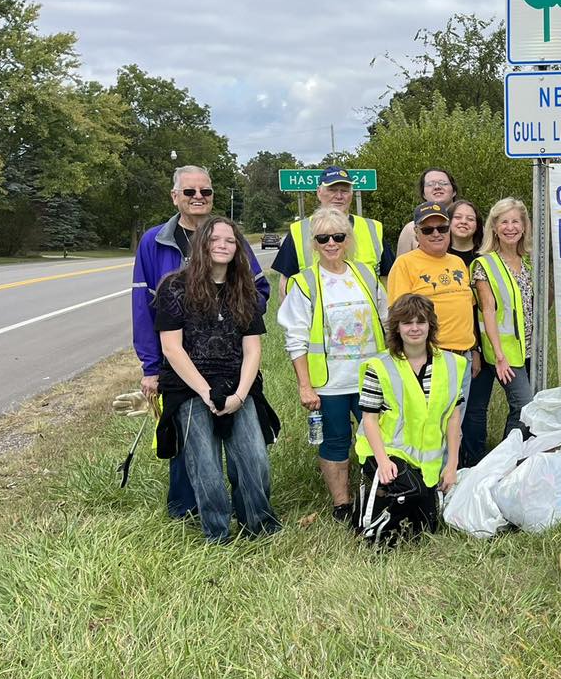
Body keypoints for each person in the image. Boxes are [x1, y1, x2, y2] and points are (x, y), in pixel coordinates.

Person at [132, 165, 269, 520]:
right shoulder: (155, 241)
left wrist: (228, 315)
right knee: (191, 444)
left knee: (245, 445)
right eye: (189, 191)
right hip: (179, 362)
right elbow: (142, 306)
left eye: (204, 192)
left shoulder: (230, 237)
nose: (197, 197)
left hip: (230, 363)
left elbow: (258, 289)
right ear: (174, 195)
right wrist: (151, 367)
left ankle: (249, 512)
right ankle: (187, 510)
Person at [153, 216, 281, 543]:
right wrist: (206, 392)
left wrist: (239, 396)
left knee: (254, 459)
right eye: (214, 239)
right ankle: (217, 532)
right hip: (189, 387)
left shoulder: (244, 290)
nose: (222, 245)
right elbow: (171, 347)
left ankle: (259, 525)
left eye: (230, 240)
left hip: (239, 385)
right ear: (201, 246)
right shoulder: (174, 287)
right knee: (205, 467)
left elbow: (252, 350)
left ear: (237, 248)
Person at [277, 205, 387, 522]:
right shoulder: (305, 283)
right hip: (330, 384)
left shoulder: (365, 275)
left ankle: (380, 495)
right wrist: (304, 385)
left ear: (347, 239)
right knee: (336, 441)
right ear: (314, 243)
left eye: (338, 236)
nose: (331, 243)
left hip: (371, 379)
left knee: (377, 438)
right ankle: (342, 504)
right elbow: (296, 339)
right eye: (323, 237)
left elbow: (387, 320)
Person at [355, 293, 467, 542]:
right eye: (407, 322)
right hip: (387, 452)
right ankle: (369, 511)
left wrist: (451, 466)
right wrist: (383, 461)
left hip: (428, 463)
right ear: (396, 327)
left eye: (421, 322)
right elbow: (370, 419)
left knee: (426, 530)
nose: (414, 328)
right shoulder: (380, 366)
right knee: (387, 529)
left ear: (430, 325)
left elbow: (453, 420)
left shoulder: (452, 365)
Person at [387, 200, 479, 400]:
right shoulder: (405, 264)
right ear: (417, 234)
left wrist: (474, 349)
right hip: (430, 356)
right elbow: (399, 318)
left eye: (442, 228)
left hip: (464, 357)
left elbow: (467, 310)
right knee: (430, 424)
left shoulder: (458, 263)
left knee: (455, 424)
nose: (436, 233)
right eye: (428, 230)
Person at [468, 198, 536, 456]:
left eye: (515, 221)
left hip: (531, 347)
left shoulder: (529, 263)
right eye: (504, 222)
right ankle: (507, 459)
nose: (510, 227)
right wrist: (498, 356)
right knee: (524, 405)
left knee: (528, 408)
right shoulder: (485, 264)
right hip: (505, 352)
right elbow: (487, 311)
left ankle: (517, 456)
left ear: (524, 226)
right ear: (494, 228)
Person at [273, 167, 393, 297]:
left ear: (351, 195)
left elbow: (388, 278)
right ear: (319, 192)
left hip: (366, 314)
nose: (339, 196)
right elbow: (284, 284)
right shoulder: (299, 231)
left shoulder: (373, 228)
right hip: (317, 314)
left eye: (345, 191)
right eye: (332, 190)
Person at [395, 168, 459, 255]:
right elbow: (401, 265)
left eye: (443, 183)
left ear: (454, 191)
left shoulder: (470, 224)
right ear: (423, 194)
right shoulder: (411, 229)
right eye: (430, 184)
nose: (437, 187)